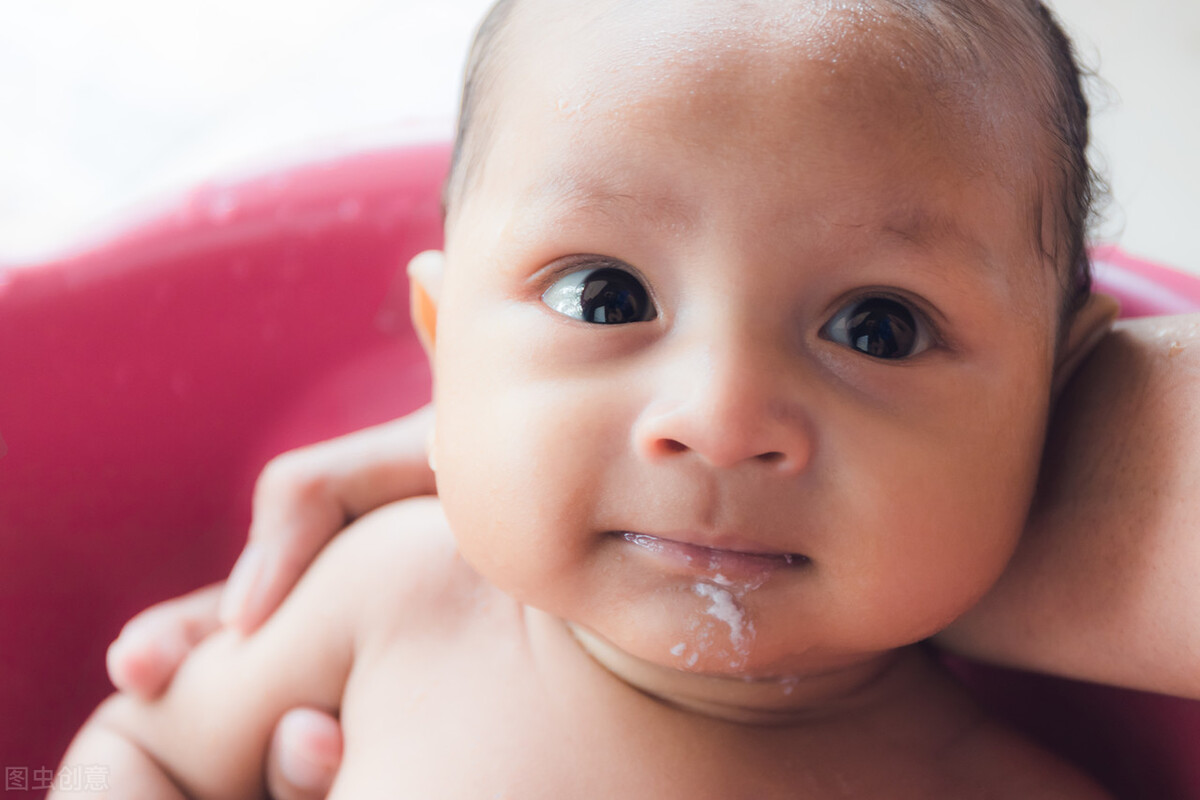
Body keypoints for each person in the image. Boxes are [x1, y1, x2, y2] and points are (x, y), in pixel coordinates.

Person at [58, 0, 1180, 794]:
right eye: (605, 296)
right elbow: (142, 753)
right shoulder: (395, 597)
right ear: (445, 349)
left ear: (1055, 389)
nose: (720, 418)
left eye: (876, 328)